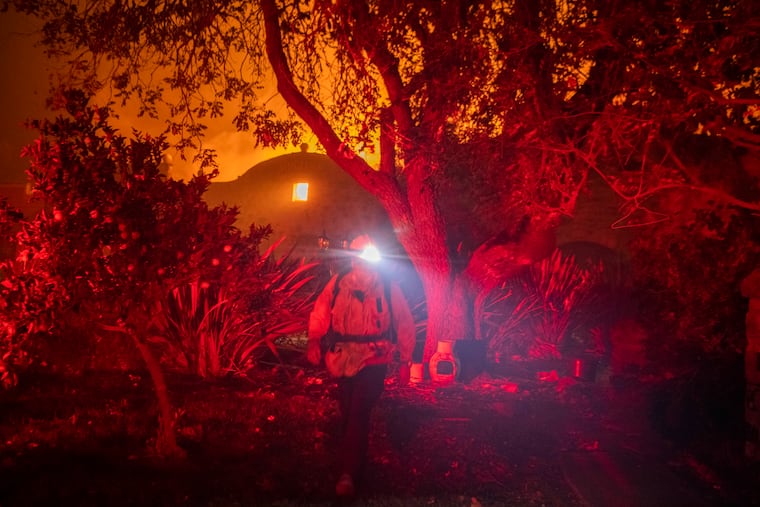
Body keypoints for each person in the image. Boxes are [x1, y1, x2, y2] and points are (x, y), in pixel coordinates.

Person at [307, 234, 415, 498]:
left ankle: (348, 473)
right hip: (343, 359)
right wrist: (313, 340)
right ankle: (352, 461)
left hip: (374, 358)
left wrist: (405, 360)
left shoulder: (387, 286)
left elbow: (404, 322)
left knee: (358, 411)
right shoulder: (338, 284)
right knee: (347, 412)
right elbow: (321, 311)